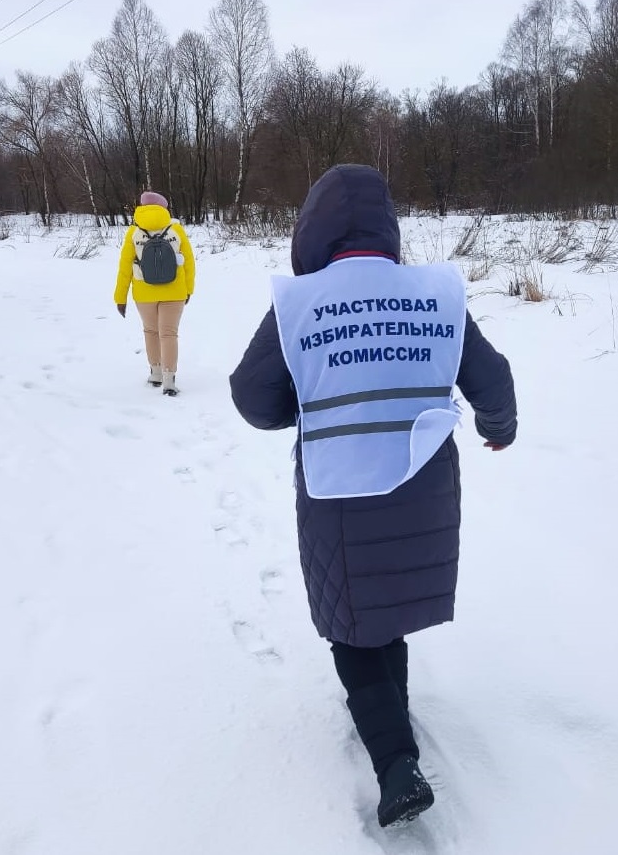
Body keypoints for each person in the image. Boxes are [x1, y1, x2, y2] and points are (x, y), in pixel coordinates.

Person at [229, 164, 517, 828]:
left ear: (313, 229)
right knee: (385, 610)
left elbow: (252, 395)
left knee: (352, 625)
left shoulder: (301, 302)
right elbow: (492, 377)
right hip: (426, 486)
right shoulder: (434, 294)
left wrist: (304, 408)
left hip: (338, 487)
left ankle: (395, 764)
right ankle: (392, 716)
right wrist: (498, 429)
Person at [114, 191, 196, 396]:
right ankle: (169, 380)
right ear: (163, 208)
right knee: (169, 334)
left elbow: (124, 268)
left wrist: (120, 298)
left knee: (151, 331)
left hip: (144, 292)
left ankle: (156, 374)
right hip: (174, 291)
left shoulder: (134, 232)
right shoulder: (176, 229)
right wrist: (189, 289)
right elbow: (189, 263)